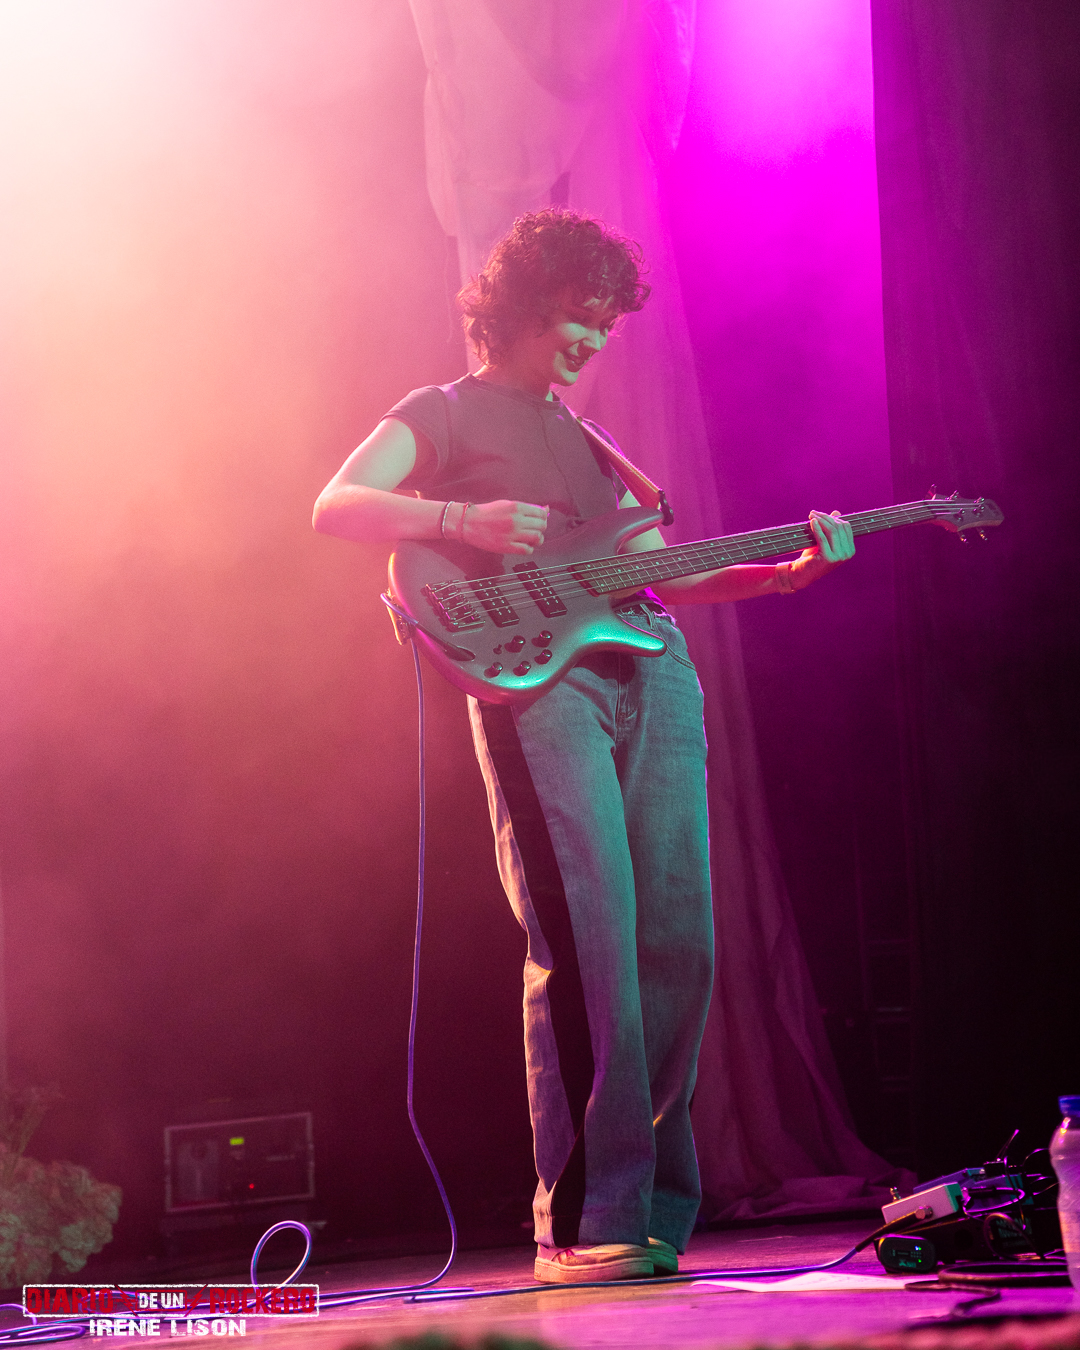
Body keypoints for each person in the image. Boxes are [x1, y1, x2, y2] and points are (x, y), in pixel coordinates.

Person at [313, 209, 854, 1285]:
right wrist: (457, 523)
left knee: (678, 949)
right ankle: (581, 1222)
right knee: (588, 938)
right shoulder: (443, 411)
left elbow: (654, 572)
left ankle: (650, 1211)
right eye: (576, 319)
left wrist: (786, 574)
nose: (592, 343)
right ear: (517, 309)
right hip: (540, 687)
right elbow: (336, 506)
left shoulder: (594, 440)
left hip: (655, 674)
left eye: (605, 326)